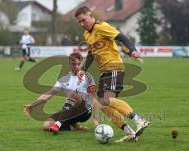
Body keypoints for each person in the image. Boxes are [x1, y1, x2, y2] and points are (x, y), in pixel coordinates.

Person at [74, 6, 149, 142]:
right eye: (79, 22)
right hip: (105, 71)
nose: (81, 24)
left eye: (83, 20)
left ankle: (140, 120)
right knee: (103, 106)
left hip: (114, 66)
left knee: (106, 100)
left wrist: (132, 50)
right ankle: (130, 132)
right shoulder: (87, 35)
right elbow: (91, 54)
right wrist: (82, 70)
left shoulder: (102, 27)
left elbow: (121, 37)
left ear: (90, 15)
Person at [24, 52, 99, 133]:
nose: (76, 66)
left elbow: (94, 97)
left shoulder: (87, 77)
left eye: (79, 64)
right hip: (68, 111)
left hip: (85, 110)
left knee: (72, 94)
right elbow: (48, 95)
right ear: (69, 63)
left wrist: (95, 119)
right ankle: (73, 127)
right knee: (46, 125)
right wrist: (32, 105)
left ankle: (58, 124)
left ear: (81, 63)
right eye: (74, 64)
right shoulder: (64, 78)